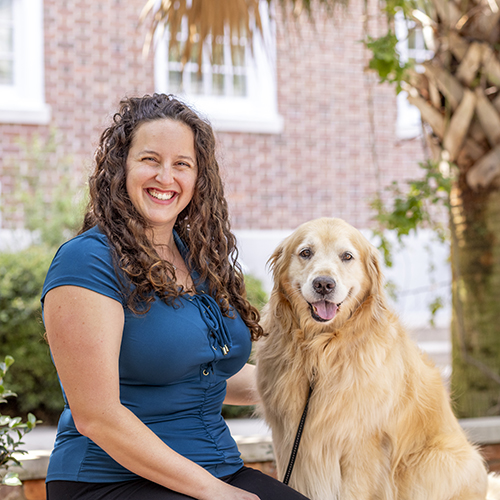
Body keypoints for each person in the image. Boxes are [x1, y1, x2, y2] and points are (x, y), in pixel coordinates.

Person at [41, 93, 310, 500]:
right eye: (150, 159)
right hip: (108, 480)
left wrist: (311, 385)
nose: (166, 177)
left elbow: (208, 371)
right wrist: (216, 493)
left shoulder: (199, 258)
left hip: (215, 468)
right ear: (121, 168)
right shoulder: (86, 262)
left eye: (181, 164)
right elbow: (97, 416)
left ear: (198, 178)